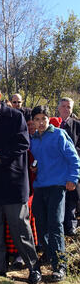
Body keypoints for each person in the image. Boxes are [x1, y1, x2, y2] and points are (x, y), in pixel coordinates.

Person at [0, 81, 41, 284]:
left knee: (20, 228)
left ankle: (33, 267)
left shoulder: (15, 116)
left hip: (13, 184)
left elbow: (23, 143)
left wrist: (0, 157)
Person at [30, 105, 80, 281]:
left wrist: (73, 178)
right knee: (41, 224)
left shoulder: (59, 134)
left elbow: (73, 157)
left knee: (56, 224)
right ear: (33, 122)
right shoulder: (33, 139)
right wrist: (33, 167)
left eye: (43, 118)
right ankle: (50, 253)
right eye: (37, 119)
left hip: (58, 186)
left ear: (48, 119)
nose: (40, 122)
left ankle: (60, 266)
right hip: (40, 186)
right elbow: (34, 160)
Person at [58, 97, 80, 236]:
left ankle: (70, 226)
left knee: (72, 197)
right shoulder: (52, 125)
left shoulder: (77, 125)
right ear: (58, 108)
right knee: (60, 198)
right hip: (57, 169)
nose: (66, 109)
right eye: (63, 106)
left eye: (69, 107)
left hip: (72, 167)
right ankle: (60, 226)